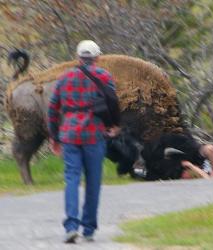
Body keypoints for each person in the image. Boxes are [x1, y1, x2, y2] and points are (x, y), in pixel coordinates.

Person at [47, 40, 120, 243]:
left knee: (71, 178)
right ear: (97, 58)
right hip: (94, 134)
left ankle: (71, 225)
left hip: (69, 135)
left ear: (78, 58)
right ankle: (88, 229)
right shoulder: (104, 76)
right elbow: (113, 102)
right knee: (93, 181)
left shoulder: (64, 78)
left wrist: (54, 137)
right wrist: (114, 125)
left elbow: (52, 109)